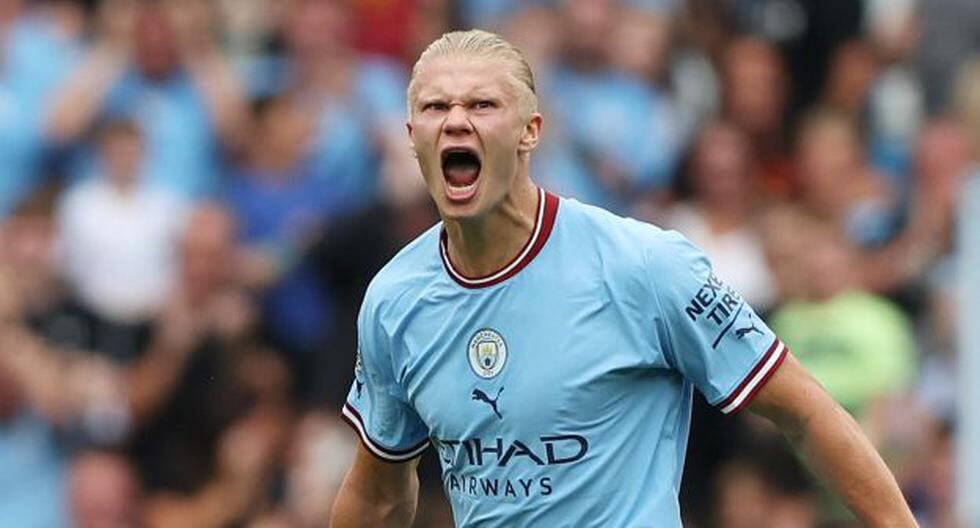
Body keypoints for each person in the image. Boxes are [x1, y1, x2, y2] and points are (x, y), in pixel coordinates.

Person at [330, 30, 916, 527]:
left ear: (531, 130)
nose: (456, 121)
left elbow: (805, 411)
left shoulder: (643, 266)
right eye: (435, 108)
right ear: (412, 138)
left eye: (482, 105)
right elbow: (380, 488)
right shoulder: (394, 300)